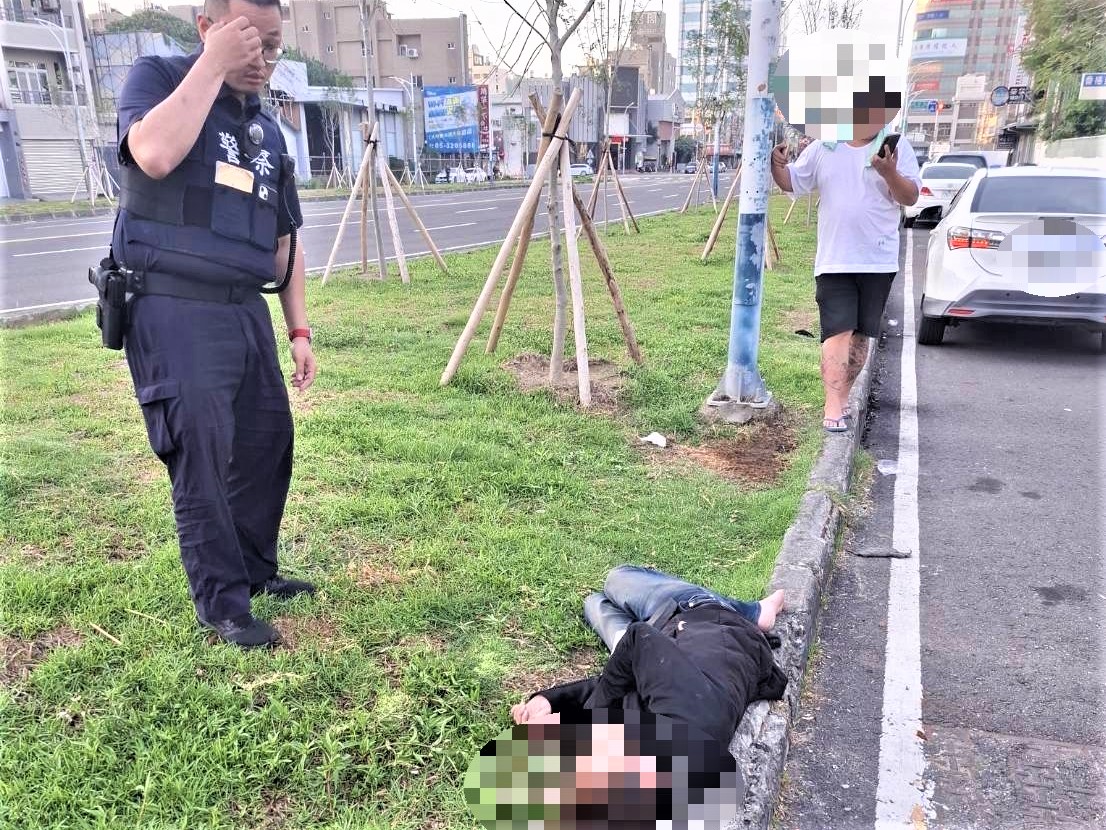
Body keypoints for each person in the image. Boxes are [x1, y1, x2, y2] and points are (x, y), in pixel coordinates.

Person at [114, 0, 316, 648]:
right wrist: (212, 65)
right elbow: (152, 153)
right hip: (172, 302)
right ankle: (223, 606)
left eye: (273, 46)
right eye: (248, 40)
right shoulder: (158, 79)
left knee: (266, 441)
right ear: (208, 29)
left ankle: (256, 571)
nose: (262, 59)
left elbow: (284, 241)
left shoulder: (266, 128)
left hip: (244, 305)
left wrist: (299, 331)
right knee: (200, 449)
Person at [511, 565, 787, 749]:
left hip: (662, 643)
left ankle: (755, 612)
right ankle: (753, 612)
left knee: (594, 603)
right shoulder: (688, 723)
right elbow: (639, 639)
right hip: (706, 619)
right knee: (617, 578)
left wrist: (548, 702)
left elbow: (618, 686)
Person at [770, 100, 921, 434]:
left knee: (860, 337)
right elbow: (792, 181)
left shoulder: (895, 148)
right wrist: (777, 165)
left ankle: (842, 395)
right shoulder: (825, 147)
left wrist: (889, 172)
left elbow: (910, 197)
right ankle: (833, 404)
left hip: (878, 260)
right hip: (835, 258)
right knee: (837, 330)